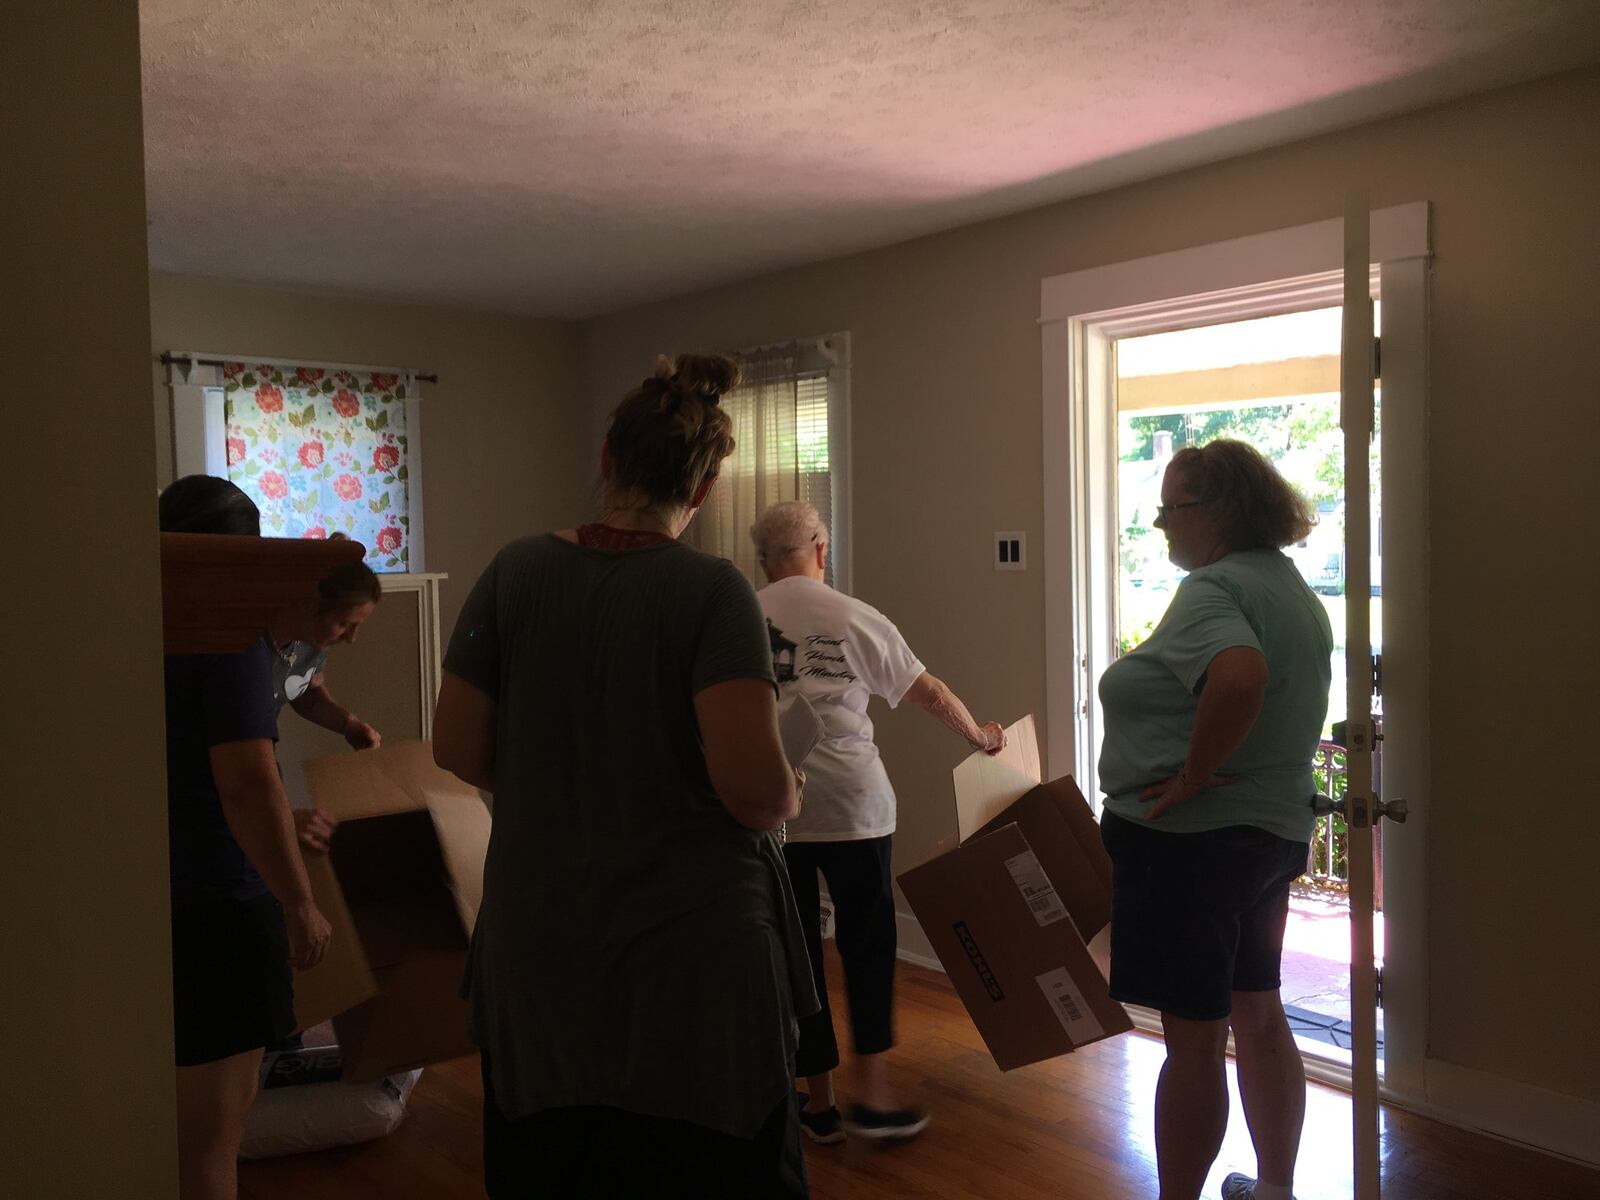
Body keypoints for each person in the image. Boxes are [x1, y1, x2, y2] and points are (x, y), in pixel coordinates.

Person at [432, 354, 815, 1199]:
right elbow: (754, 792)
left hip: (540, 949)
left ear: (607, 457)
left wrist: (568, 776)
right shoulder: (713, 593)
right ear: (708, 485)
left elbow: (456, 746)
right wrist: (789, 788)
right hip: (692, 963)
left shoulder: (514, 571)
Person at [1095, 440, 1333, 1200]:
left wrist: (1193, 777)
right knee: (1258, 1012)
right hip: (1269, 837)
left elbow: (1240, 677)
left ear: (1220, 510)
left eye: (1174, 507)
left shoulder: (1212, 589)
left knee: (1194, 1041)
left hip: (1189, 848)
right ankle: (1275, 1188)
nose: (1161, 523)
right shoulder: (1288, 587)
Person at [750, 500, 1006, 1145]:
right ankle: (873, 1094)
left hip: (776, 805)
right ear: (820, 549)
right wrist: (980, 736)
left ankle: (820, 1102)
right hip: (855, 808)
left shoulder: (740, 619)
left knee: (797, 952)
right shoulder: (853, 616)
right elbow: (931, 693)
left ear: (761, 560)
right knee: (866, 946)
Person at [158, 475, 334, 1200]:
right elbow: (246, 782)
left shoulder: (128, 624)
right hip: (218, 903)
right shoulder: (224, 638)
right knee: (211, 1139)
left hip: (155, 891)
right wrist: (299, 902)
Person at [266, 543, 383, 853]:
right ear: (311, 603)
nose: (351, 638)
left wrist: (348, 725)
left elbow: (304, 693)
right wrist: (282, 821)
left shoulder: (311, 646)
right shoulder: (250, 652)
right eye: (345, 623)